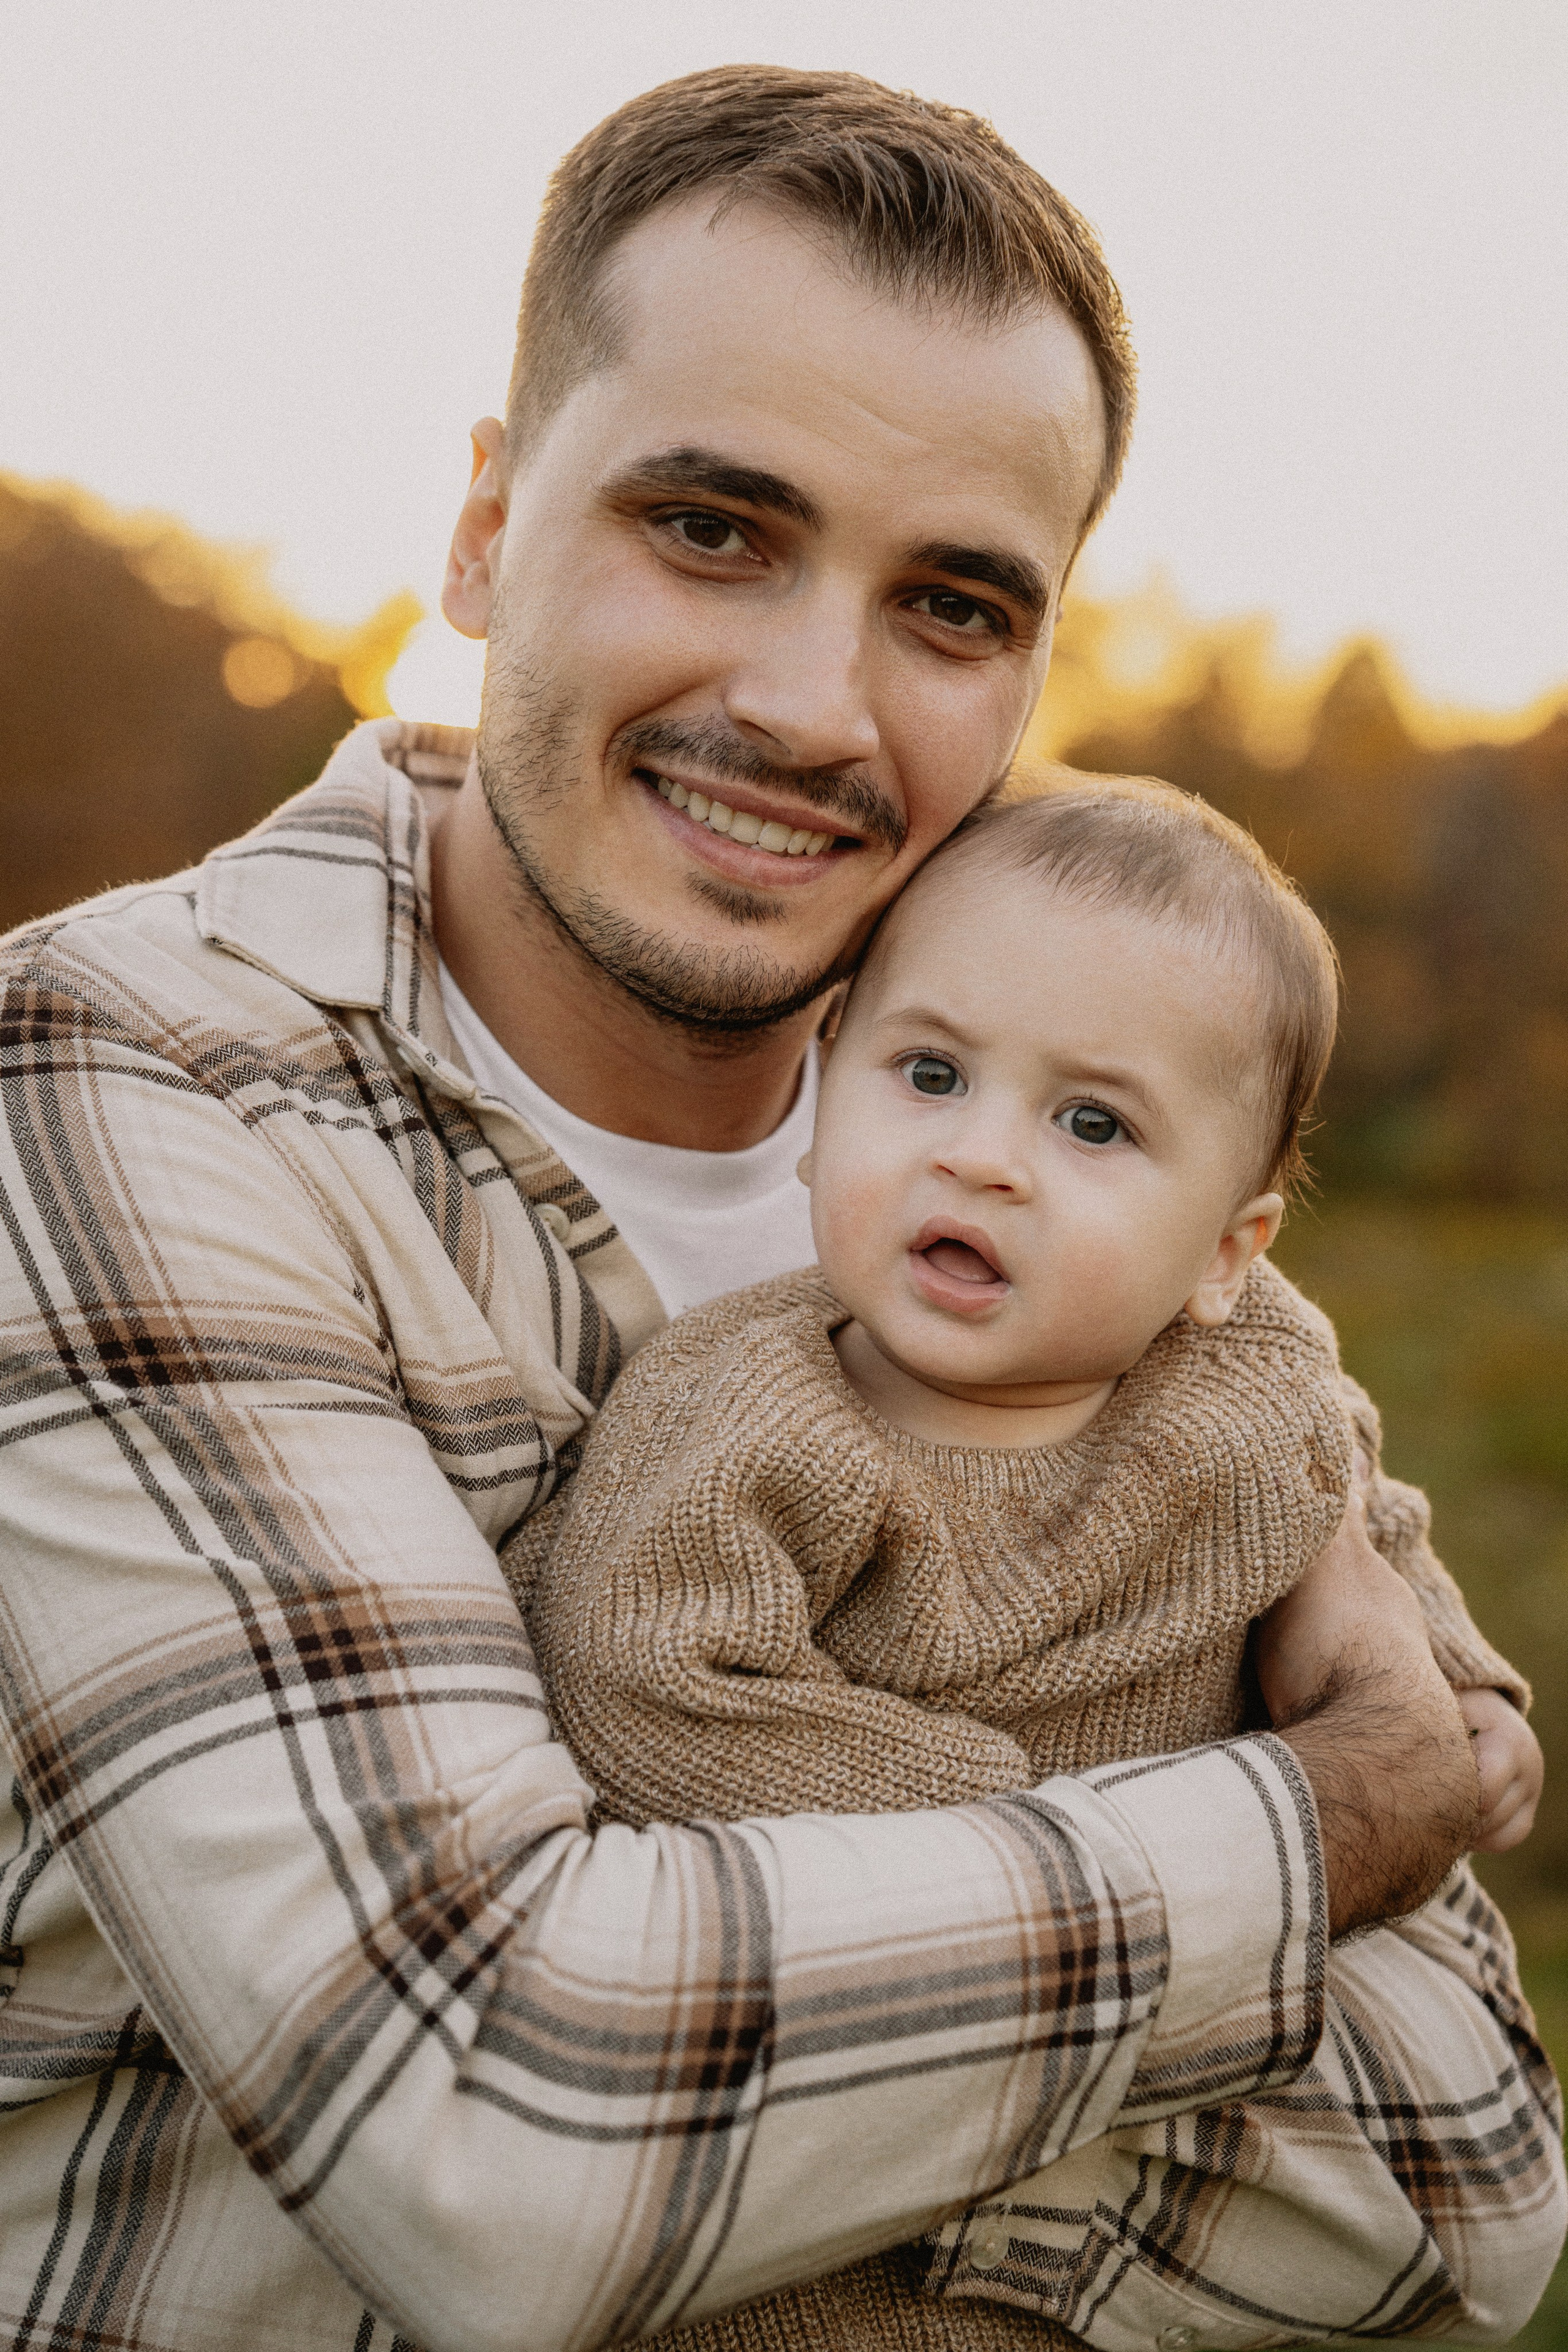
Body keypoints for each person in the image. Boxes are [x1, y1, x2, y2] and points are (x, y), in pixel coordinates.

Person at [0, 64, 1560, 2352]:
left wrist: (789, 2078)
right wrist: (1314, 1831)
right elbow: (494, 2129)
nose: (817, 707)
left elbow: (1468, 2175)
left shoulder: (1046, 1167)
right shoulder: (120, 1083)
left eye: (952, 604)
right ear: (482, 531)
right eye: (714, 528)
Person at [523, 780, 1543, 2345]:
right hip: (865, 2106)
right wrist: (1033, 1824)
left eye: (1092, 1124)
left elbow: (1356, 1513)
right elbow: (652, 1694)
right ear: (823, 1096)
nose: (982, 1159)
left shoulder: (1246, 1375)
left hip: (1160, 2123)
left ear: (1225, 1254)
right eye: (929, 1075)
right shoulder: (751, 1412)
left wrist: (1455, 1681)